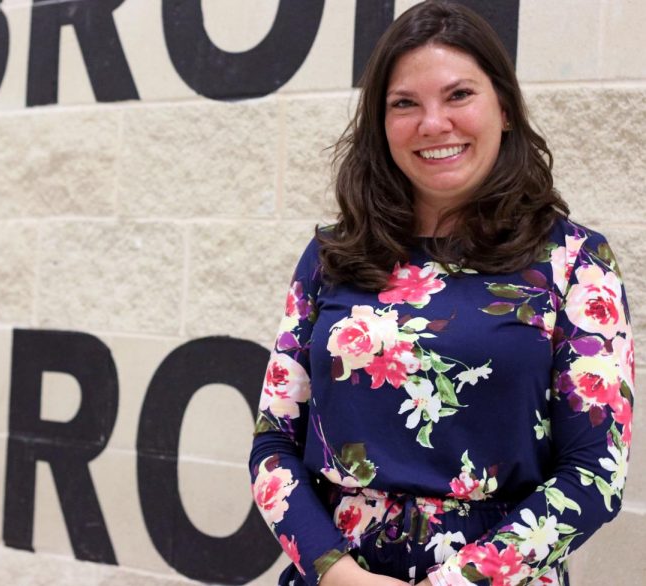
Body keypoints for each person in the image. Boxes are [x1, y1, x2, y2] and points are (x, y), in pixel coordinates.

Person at [248, 2, 634, 585]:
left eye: (458, 96)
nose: (433, 124)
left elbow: (595, 472)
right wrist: (337, 574)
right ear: (381, 124)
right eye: (405, 103)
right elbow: (274, 444)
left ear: (503, 109)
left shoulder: (575, 262)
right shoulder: (334, 256)